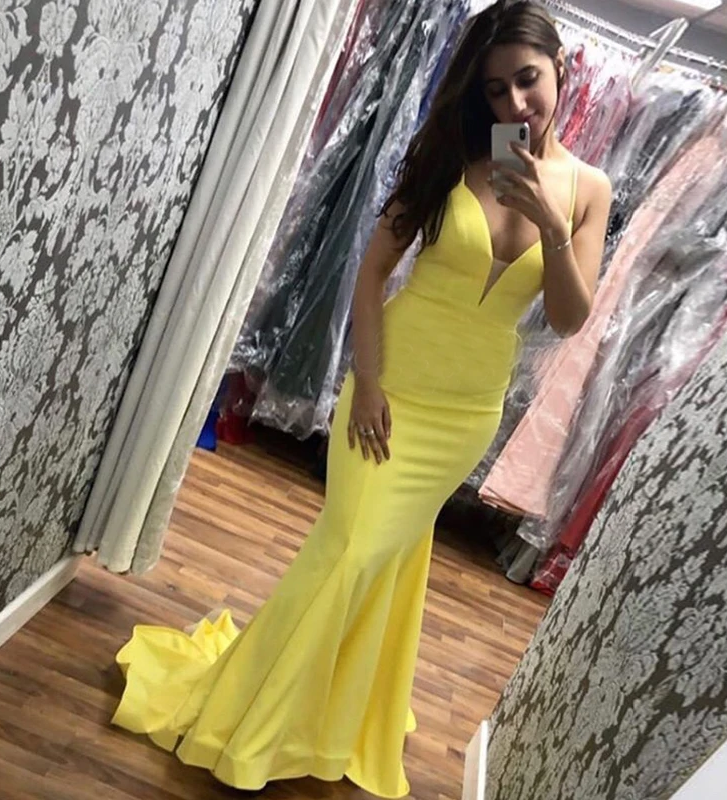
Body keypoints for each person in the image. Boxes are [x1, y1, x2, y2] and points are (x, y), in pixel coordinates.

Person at [110, 1, 612, 798]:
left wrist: (552, 225)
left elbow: (568, 316)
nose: (517, 103)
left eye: (529, 81)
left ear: (561, 71)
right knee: (349, 552)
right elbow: (373, 271)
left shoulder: (588, 190)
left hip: (464, 413)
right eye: (496, 90)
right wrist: (368, 384)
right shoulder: (452, 156)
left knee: (384, 562)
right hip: (391, 388)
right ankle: (254, 718)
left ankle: (328, 715)